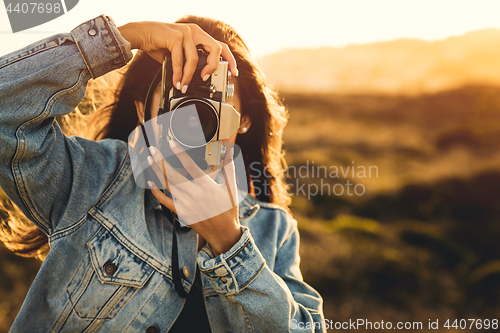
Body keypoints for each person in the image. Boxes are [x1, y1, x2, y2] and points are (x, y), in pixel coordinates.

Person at [0, 14, 325, 332]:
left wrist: (229, 242)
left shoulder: (274, 228)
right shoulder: (95, 180)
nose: (194, 123)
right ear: (144, 111)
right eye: (180, 103)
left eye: (212, 105)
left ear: (244, 119)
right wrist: (126, 37)